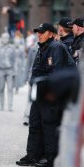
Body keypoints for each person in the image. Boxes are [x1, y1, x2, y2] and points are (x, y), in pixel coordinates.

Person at [16, 23, 75, 167]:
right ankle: (32, 155)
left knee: (49, 126)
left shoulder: (56, 47)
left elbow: (57, 74)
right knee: (34, 125)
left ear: (51, 34)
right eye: (38, 32)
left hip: (50, 94)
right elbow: (36, 70)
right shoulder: (42, 47)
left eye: (42, 32)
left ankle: (51, 159)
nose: (39, 34)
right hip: (39, 93)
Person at [0, 33, 16, 111]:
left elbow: (14, 61)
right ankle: (1, 106)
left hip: (9, 70)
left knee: (10, 88)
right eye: (3, 38)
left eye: (6, 38)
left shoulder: (12, 48)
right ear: (1, 38)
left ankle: (10, 106)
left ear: (9, 39)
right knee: (1, 88)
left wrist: (14, 71)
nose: (5, 40)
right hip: (0, 70)